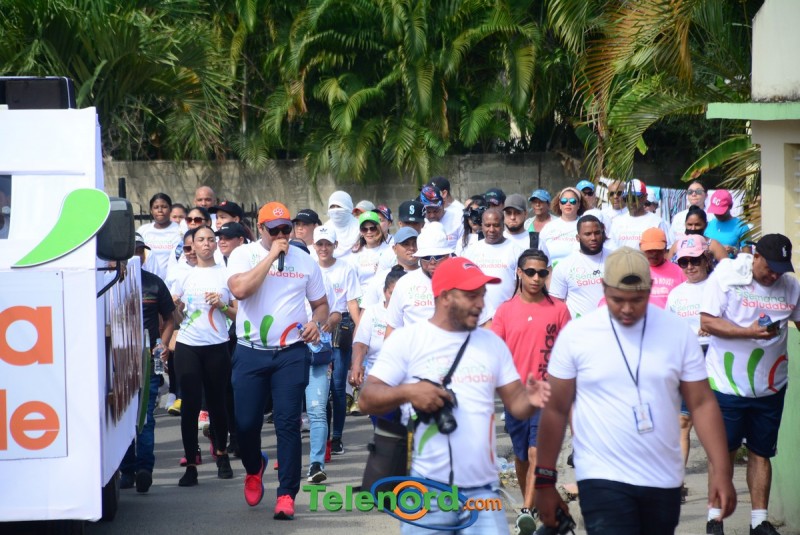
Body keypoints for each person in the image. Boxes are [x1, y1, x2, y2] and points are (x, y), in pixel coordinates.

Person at [535, 246, 736, 534]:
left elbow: (702, 403)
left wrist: (722, 471)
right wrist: (545, 481)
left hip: (662, 477)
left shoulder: (676, 332)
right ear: (604, 287)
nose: (627, 309)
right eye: (617, 300)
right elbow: (555, 409)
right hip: (601, 474)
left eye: (637, 300)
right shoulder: (577, 336)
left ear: (650, 289)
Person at [358, 256, 551, 533]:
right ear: (446, 296)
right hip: (426, 491)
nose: (481, 304)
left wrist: (532, 400)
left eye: (482, 295)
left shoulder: (492, 344)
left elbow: (516, 404)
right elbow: (367, 398)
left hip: (483, 495)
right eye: (472, 295)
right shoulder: (407, 340)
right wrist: (408, 392)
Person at [226, 201, 329, 519]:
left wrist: (316, 323)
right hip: (250, 351)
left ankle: (286, 494)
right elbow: (239, 290)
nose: (282, 235)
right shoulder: (243, 254)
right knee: (246, 424)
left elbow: (321, 305)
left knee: (287, 423)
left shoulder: (305, 261)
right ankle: (254, 466)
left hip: (291, 353)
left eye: (287, 229)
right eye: (275, 230)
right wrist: (271, 256)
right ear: (261, 229)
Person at [700, 234, 800, 535]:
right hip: (727, 384)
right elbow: (708, 322)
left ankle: (759, 522)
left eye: (781, 270)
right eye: (770, 268)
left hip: (770, 386)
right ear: (756, 257)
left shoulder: (790, 286)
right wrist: (750, 333)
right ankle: (715, 518)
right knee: (724, 452)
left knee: (761, 452)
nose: (774, 275)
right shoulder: (727, 276)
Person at [492, 249, 571, 534]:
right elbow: (495, 352)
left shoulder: (559, 309)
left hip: (547, 393)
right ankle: (534, 499)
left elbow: (569, 350)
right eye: (530, 272)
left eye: (542, 273)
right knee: (522, 455)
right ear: (519, 273)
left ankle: (526, 510)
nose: (536, 278)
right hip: (515, 396)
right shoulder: (504, 310)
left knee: (538, 451)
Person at [172, 226, 237, 487]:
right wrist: (175, 308)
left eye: (211, 239)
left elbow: (238, 313)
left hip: (217, 345)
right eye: (201, 240)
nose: (206, 244)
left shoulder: (226, 274)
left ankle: (222, 454)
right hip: (188, 344)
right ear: (192, 245)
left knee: (217, 402)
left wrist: (221, 305)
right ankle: (191, 464)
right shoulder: (183, 275)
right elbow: (177, 318)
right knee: (189, 406)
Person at [119, 235, 176, 493]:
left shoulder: (154, 283)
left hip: (147, 359)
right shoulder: (109, 282)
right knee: (121, 417)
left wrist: (162, 344)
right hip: (119, 360)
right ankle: (126, 470)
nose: (136, 255)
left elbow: (170, 318)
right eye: (132, 250)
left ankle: (144, 469)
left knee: (145, 416)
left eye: (140, 251)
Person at [306, 225, 361, 482]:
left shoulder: (345, 268)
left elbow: (350, 303)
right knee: (318, 393)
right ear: (314, 246)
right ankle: (324, 440)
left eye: (328, 244)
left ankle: (336, 437)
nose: (324, 248)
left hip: (338, 327)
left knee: (338, 386)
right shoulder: (310, 268)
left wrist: (360, 333)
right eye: (320, 244)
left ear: (335, 245)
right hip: (310, 334)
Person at [666, 235, 713, 503]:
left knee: (713, 426)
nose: (690, 266)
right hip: (685, 360)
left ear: (706, 259)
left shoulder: (718, 288)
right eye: (684, 262)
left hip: (714, 357)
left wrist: (714, 328)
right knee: (682, 422)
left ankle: (718, 486)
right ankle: (677, 484)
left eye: (694, 260)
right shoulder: (676, 294)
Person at [349, 267, 407, 423]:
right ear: (384, 291)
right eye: (391, 293)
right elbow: (361, 343)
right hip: (378, 381)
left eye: (400, 294)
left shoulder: (412, 312)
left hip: (407, 380)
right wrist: (356, 366)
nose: (395, 298)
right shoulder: (373, 312)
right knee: (383, 431)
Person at [385, 222, 452, 337]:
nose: (432, 262)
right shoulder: (404, 284)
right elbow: (392, 328)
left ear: (447, 255)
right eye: (426, 257)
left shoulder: (463, 282)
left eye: (437, 256)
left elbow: (482, 324)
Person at [462, 207, 525, 324]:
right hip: (479, 319)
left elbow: (522, 287)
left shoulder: (517, 251)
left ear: (503, 225)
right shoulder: (471, 251)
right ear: (482, 225)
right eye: (487, 225)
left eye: (496, 225)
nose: (491, 230)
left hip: (508, 318)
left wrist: (512, 310)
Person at [549, 215, 610, 319]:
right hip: (578, 327)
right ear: (578, 238)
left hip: (613, 325)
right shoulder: (564, 266)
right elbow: (556, 304)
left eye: (597, 233)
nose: (593, 238)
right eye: (587, 234)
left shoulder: (617, 259)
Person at [363, 226, 419, 307]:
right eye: (406, 244)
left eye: (415, 243)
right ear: (394, 249)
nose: (412, 248)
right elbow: (366, 312)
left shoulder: (428, 276)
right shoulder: (380, 279)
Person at [608, 179, 670, 250]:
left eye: (633, 198)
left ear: (645, 197)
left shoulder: (657, 223)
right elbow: (611, 249)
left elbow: (667, 248)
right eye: (627, 198)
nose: (630, 202)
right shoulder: (617, 222)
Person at [138, 193, 183, 280]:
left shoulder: (180, 231)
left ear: (170, 209)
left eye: (164, 207)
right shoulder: (143, 231)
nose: (160, 210)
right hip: (147, 282)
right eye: (156, 207)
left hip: (172, 282)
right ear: (151, 210)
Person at [348, 211, 392, 299]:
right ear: (361, 232)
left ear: (379, 229)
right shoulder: (354, 254)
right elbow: (352, 286)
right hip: (362, 300)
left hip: (385, 299)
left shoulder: (390, 250)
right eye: (364, 229)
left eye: (372, 228)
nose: (369, 232)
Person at [538, 187, 586, 267]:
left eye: (572, 201)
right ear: (560, 205)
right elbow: (539, 252)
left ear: (579, 205)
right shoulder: (549, 227)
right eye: (564, 201)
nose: (568, 204)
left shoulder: (585, 225)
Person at [639, 227, 685, 309]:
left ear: (665, 248)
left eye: (658, 250)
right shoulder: (635, 271)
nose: (654, 254)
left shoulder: (679, 272)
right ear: (640, 248)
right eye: (649, 250)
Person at [705, 190, 750, 257]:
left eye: (721, 211)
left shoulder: (741, 227)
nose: (718, 214)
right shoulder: (709, 225)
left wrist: (734, 251)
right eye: (715, 211)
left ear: (730, 206)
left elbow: (748, 256)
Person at [428, 176, 465, 249]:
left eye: (432, 194)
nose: (432, 215)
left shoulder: (460, 211)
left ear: (444, 193)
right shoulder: (426, 210)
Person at [325, 191, 361, 258]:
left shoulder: (360, 228)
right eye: (332, 207)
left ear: (348, 206)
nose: (336, 210)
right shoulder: (326, 228)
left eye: (339, 206)